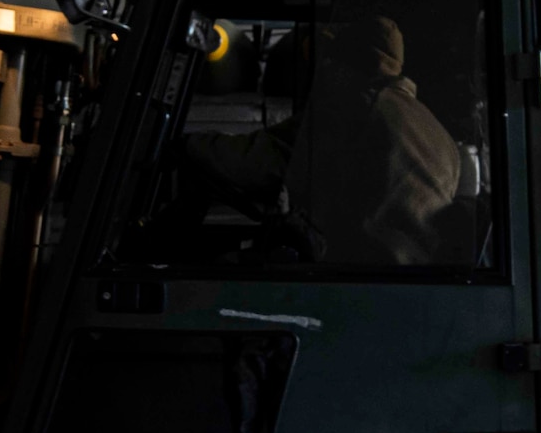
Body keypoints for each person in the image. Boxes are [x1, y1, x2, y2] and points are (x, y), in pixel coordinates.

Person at [182, 15, 463, 265]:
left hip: (351, 275)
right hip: (402, 282)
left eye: (331, 59)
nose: (324, 67)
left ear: (349, 65)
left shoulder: (357, 106)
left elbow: (259, 158)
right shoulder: (435, 131)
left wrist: (183, 144)